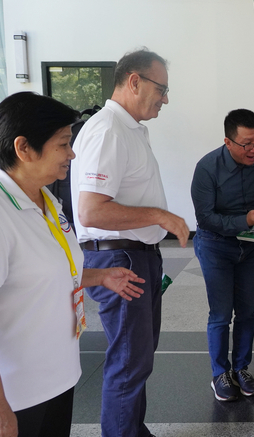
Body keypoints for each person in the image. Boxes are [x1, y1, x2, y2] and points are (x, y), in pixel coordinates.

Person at [0, 92, 144, 437]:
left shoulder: (46, 199)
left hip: (57, 378)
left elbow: (43, 274)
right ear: (24, 148)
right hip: (12, 393)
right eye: (63, 144)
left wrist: (100, 276)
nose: (72, 153)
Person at [70, 48, 189, 437]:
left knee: (137, 359)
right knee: (128, 362)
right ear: (134, 81)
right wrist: (159, 216)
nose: (166, 99)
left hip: (138, 256)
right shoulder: (108, 130)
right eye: (162, 89)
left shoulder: (129, 129)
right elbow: (91, 211)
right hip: (120, 259)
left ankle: (132, 430)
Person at [191, 109, 254, 402]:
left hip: (250, 246)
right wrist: (246, 221)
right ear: (228, 142)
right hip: (215, 245)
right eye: (247, 144)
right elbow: (205, 219)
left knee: (247, 311)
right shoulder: (207, 168)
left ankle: (241, 368)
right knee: (220, 314)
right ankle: (220, 374)